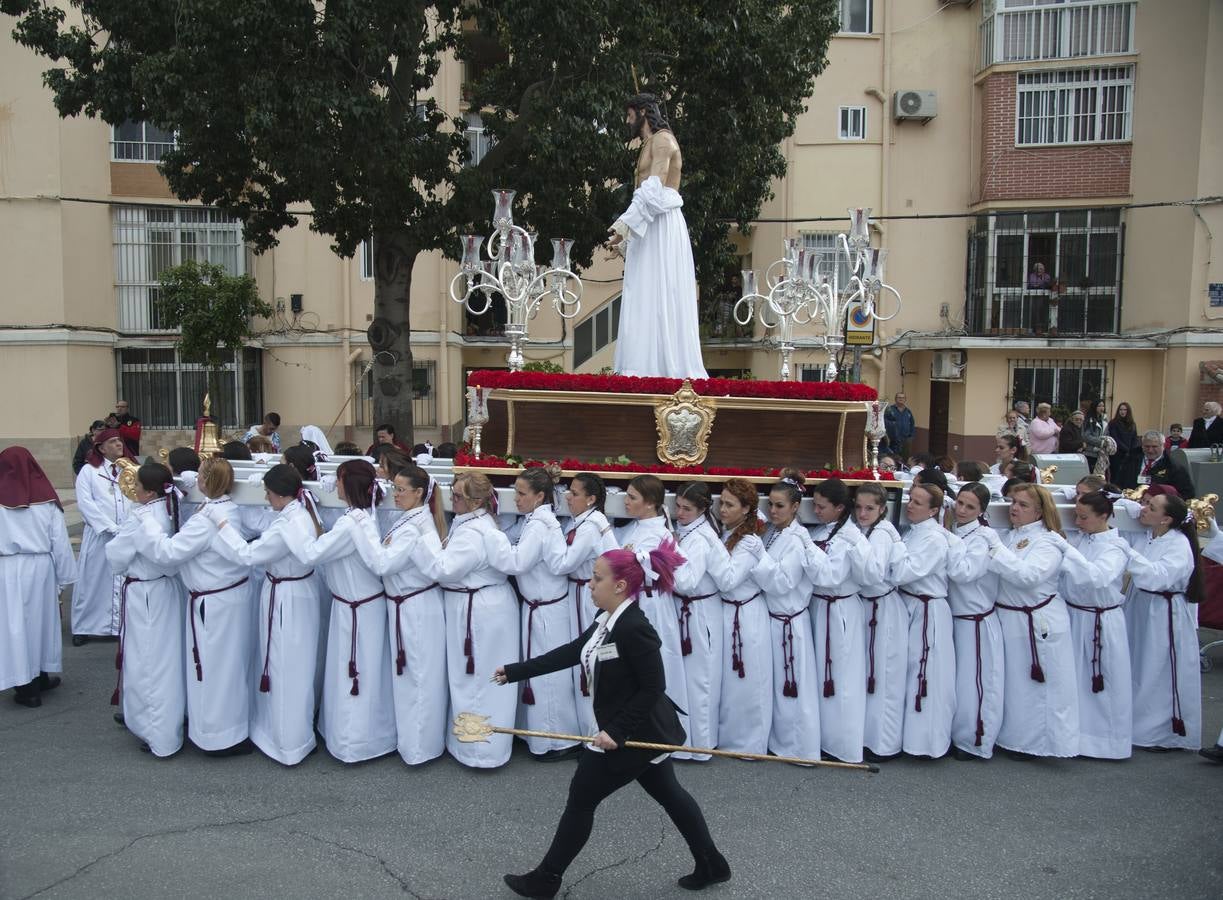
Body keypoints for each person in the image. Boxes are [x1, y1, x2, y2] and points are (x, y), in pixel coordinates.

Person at [496, 541, 730, 899]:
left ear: (620, 586)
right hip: (630, 728)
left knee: (581, 799)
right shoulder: (606, 619)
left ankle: (546, 879)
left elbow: (653, 686)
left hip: (633, 733)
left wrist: (616, 732)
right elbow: (575, 651)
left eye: (597, 578)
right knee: (670, 793)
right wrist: (516, 671)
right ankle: (712, 864)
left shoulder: (634, 627)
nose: (590, 584)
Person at [139, 458, 255, 756]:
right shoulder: (228, 507)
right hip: (232, 596)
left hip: (213, 602)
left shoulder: (206, 520)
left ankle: (216, 736)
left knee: (212, 668)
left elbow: (168, 553)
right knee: (232, 665)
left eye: (201, 476)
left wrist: (147, 522)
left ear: (206, 481)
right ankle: (232, 729)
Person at [212, 464, 326, 765]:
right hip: (296, 591)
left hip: (287, 596)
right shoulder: (298, 513)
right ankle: (288, 734)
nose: (266, 497)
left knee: (285, 667)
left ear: (281, 494)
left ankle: (289, 742)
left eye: (268, 492)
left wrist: (223, 526)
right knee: (294, 665)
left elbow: (249, 555)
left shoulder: (287, 524)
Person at [288, 459, 397, 763]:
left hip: (358, 608)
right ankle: (352, 735)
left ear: (348, 484)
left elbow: (311, 554)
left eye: (338, 479)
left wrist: (291, 522)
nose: (335, 484)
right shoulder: (358, 516)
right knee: (357, 671)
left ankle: (355, 742)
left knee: (357, 673)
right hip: (353, 606)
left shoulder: (352, 523)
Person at [343, 464, 449, 766]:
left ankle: (420, 748)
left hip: (416, 609)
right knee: (410, 677)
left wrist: (361, 527)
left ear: (419, 493)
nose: (396, 495)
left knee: (418, 678)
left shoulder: (415, 527)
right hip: (407, 605)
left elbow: (382, 564)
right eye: (394, 488)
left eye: (401, 490)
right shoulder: (410, 519)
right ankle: (411, 741)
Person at [417, 472, 519, 768]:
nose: (453, 499)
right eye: (452, 493)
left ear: (475, 501)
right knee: (473, 679)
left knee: (479, 681)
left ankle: (481, 751)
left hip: (479, 612)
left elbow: (444, 570)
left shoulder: (473, 532)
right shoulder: (473, 522)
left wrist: (424, 536)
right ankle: (472, 743)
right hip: (481, 605)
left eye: (458, 496)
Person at [607, 93, 708, 380]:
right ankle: (638, 367)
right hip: (648, 225)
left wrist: (623, 227)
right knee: (643, 294)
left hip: (662, 223)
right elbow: (645, 196)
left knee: (661, 292)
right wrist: (626, 235)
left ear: (642, 112)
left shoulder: (663, 141)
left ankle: (660, 368)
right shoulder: (648, 144)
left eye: (630, 115)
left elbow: (653, 190)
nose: (627, 121)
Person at [486, 467, 582, 761]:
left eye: (521, 493)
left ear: (540, 496)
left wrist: (491, 537)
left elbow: (516, 563)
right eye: (516, 492)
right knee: (541, 674)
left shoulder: (540, 524)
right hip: (539, 608)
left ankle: (555, 741)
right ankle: (539, 734)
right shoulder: (534, 520)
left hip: (547, 611)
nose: (516, 498)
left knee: (548, 677)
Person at [982, 483, 1079, 758]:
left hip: (1037, 620)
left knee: (1038, 689)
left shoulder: (1048, 541)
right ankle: (1012, 738)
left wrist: (995, 549)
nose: (1014, 508)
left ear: (1039, 512)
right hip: (1009, 617)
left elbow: (1028, 576)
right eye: (1013, 502)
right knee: (1015, 686)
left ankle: (1038, 744)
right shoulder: (1012, 535)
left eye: (1023, 505)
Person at [103, 462, 186, 755]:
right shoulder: (171, 508)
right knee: (167, 659)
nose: (133, 489)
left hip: (146, 593)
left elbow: (116, 555)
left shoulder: (141, 518)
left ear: (149, 492)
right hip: (167, 590)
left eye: (137, 485)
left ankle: (158, 733)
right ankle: (162, 720)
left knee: (148, 663)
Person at [1120, 486, 1203, 751]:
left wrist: (1127, 553)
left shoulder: (1178, 544)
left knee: (1158, 670)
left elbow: (1158, 577)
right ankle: (1136, 724)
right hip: (1140, 607)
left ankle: (1162, 733)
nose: (1143, 509)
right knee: (1138, 665)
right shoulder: (1149, 536)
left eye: (1151, 507)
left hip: (1163, 612)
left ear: (1166, 519)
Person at [1057, 490, 1132, 760]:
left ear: (1104, 516)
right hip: (1075, 616)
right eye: (1076, 516)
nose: (1078, 522)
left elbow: (1097, 577)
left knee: (1101, 681)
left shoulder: (1115, 547)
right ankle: (1075, 737)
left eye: (1084, 517)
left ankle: (1106, 743)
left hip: (1101, 620)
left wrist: (1066, 550)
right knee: (1074, 681)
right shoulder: (1082, 539)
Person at [615, 475, 691, 741]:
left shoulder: (660, 534)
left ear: (649, 503)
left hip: (651, 606)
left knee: (653, 667)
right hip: (634, 602)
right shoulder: (635, 527)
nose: (625, 501)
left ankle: (659, 732)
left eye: (632, 497)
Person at [751, 473, 821, 760]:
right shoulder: (773, 532)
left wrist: (759, 557)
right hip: (773, 619)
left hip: (789, 620)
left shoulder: (796, 539)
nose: (773, 511)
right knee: (776, 686)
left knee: (795, 686)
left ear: (795, 507)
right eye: (770, 504)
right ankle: (779, 740)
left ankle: (800, 747)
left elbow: (782, 583)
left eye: (780, 506)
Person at [0, 448, 75, 708]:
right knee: (42, 622)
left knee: (16, 626)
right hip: (41, 568)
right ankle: (37, 677)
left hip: (8, 569)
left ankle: (28, 684)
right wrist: (64, 577)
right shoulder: (47, 501)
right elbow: (60, 542)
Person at [888, 483, 956, 759]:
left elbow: (903, 572)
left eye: (917, 502)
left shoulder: (935, 539)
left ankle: (926, 743)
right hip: (910, 605)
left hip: (927, 609)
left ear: (933, 510)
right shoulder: (914, 532)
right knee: (908, 672)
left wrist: (893, 546)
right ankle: (906, 737)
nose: (910, 505)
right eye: (910, 500)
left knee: (927, 674)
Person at [547, 473, 618, 735]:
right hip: (582, 593)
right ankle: (587, 730)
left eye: (575, 493)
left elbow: (564, 563)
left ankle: (595, 731)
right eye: (569, 490)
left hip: (589, 598)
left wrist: (547, 538)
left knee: (592, 656)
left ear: (591, 499)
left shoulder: (589, 527)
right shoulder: (584, 520)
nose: (568, 497)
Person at [804, 478, 869, 764]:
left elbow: (829, 576)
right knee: (821, 676)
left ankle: (844, 745)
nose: (816, 511)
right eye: (815, 505)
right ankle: (823, 738)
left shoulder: (849, 537)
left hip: (839, 609)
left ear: (840, 507)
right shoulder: (824, 529)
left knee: (841, 678)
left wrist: (806, 548)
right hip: (821, 607)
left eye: (822, 506)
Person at [944, 483, 1004, 760]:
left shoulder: (982, 537)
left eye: (970, 507)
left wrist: (948, 539)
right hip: (955, 616)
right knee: (957, 683)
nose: (962, 510)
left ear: (981, 511)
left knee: (976, 683)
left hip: (975, 620)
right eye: (960, 503)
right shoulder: (957, 531)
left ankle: (975, 739)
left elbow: (964, 572)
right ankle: (955, 733)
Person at [711, 478, 770, 756]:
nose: (722, 509)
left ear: (746, 509)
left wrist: (708, 550)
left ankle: (749, 743)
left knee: (747, 681)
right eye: (721, 503)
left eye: (729, 505)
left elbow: (728, 580)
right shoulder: (727, 533)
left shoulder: (748, 542)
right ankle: (729, 737)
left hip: (745, 616)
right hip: (728, 613)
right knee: (730, 682)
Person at [669, 482, 726, 761]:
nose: (680, 513)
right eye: (678, 506)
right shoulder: (687, 530)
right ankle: (683, 739)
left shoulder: (701, 538)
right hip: (686, 610)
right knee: (685, 679)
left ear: (702, 509)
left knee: (700, 680)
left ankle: (700, 744)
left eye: (687, 509)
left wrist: (671, 551)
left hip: (699, 612)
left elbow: (687, 582)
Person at [851, 482, 906, 762]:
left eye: (869, 508)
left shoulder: (882, 534)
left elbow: (873, 573)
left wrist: (854, 543)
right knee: (868, 674)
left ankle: (883, 743)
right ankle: (866, 737)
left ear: (882, 509)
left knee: (883, 674)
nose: (862, 513)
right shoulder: (865, 530)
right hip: (868, 607)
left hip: (882, 609)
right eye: (859, 507)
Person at [71, 427, 134, 645]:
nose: (119, 444)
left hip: (125, 535)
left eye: (120, 441)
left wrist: (130, 527)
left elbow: (137, 498)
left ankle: (119, 625)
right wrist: (109, 527)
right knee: (93, 582)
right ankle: (83, 626)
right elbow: (86, 504)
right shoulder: (89, 472)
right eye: (113, 441)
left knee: (122, 580)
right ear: (101, 448)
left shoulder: (129, 470)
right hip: (100, 537)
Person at [1137, 430, 1196, 499]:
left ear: (1163, 446)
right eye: (1147, 446)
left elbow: (1187, 494)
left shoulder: (1174, 467)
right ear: (1142, 446)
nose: (1150, 450)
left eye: (1154, 447)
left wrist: (1165, 502)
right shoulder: (1131, 460)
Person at [1108, 402, 1141, 489]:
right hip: (1117, 454)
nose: (1122, 412)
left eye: (1125, 410)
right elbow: (1115, 438)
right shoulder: (1113, 423)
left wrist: (1132, 450)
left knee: (1128, 475)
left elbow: (1135, 438)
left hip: (1129, 454)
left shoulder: (1132, 424)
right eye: (1121, 409)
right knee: (1116, 476)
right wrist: (1126, 449)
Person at [884, 393, 916, 461]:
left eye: (903, 398)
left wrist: (911, 437)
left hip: (905, 440)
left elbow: (912, 424)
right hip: (893, 440)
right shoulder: (889, 410)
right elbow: (885, 422)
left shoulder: (908, 411)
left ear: (905, 400)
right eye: (899, 397)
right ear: (895, 399)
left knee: (905, 458)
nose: (901, 399)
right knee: (893, 458)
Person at [1082, 399, 1108, 472]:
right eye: (1099, 406)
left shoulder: (1104, 420)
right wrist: (1100, 442)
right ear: (1094, 407)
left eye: (1103, 406)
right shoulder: (1089, 420)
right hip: (1090, 453)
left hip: (1100, 454)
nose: (1102, 408)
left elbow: (1106, 434)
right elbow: (1086, 436)